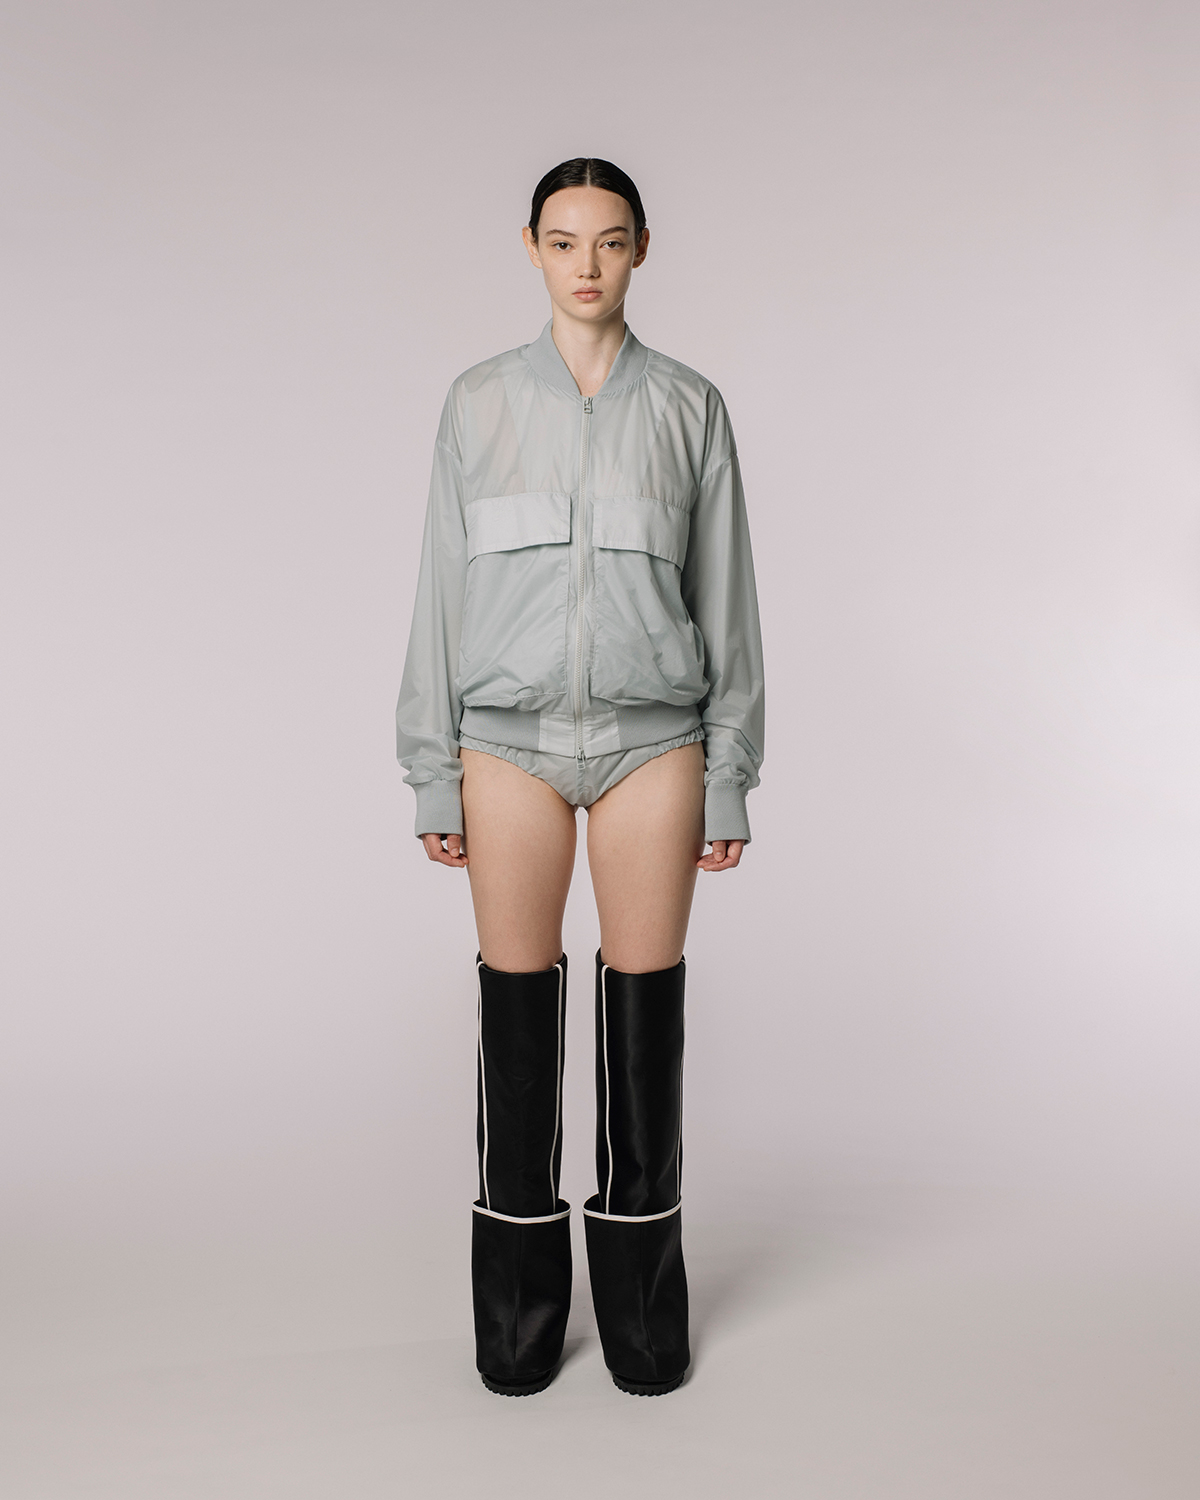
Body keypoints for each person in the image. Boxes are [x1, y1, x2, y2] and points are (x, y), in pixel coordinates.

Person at [395, 157, 765, 1397]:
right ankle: (517, 1316)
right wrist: (431, 769)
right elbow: (440, 596)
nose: (587, 264)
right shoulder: (477, 403)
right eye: (564, 242)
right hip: (506, 744)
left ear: (641, 248)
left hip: (656, 743)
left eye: (609, 241)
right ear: (532, 249)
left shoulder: (691, 408)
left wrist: (729, 773)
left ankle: (644, 1314)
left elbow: (728, 601)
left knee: (643, 1021)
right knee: (516, 1018)